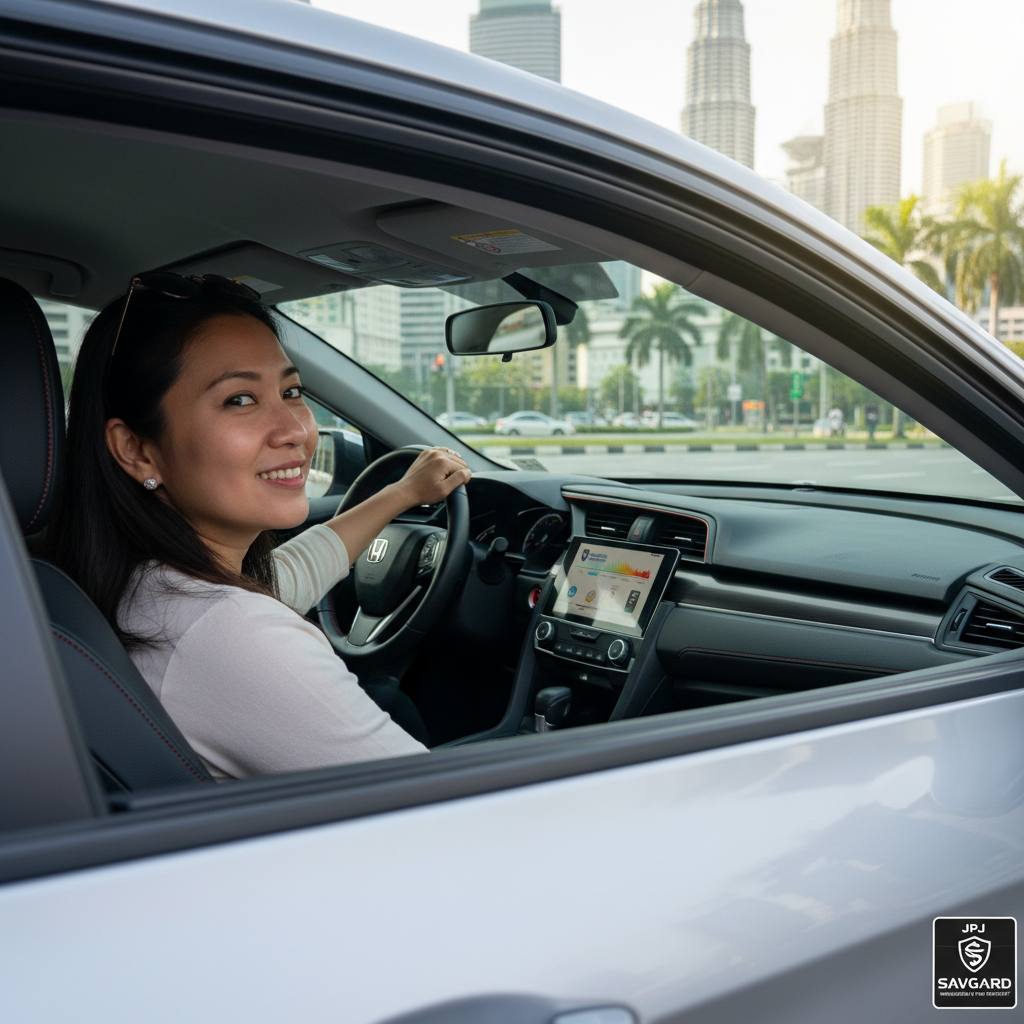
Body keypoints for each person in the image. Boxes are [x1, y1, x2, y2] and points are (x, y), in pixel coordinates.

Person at [48, 272, 471, 780]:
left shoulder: (141, 588)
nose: (296, 430)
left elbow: (289, 572)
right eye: (240, 400)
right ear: (136, 450)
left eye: (291, 391)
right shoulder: (237, 636)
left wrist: (403, 494)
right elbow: (437, 805)